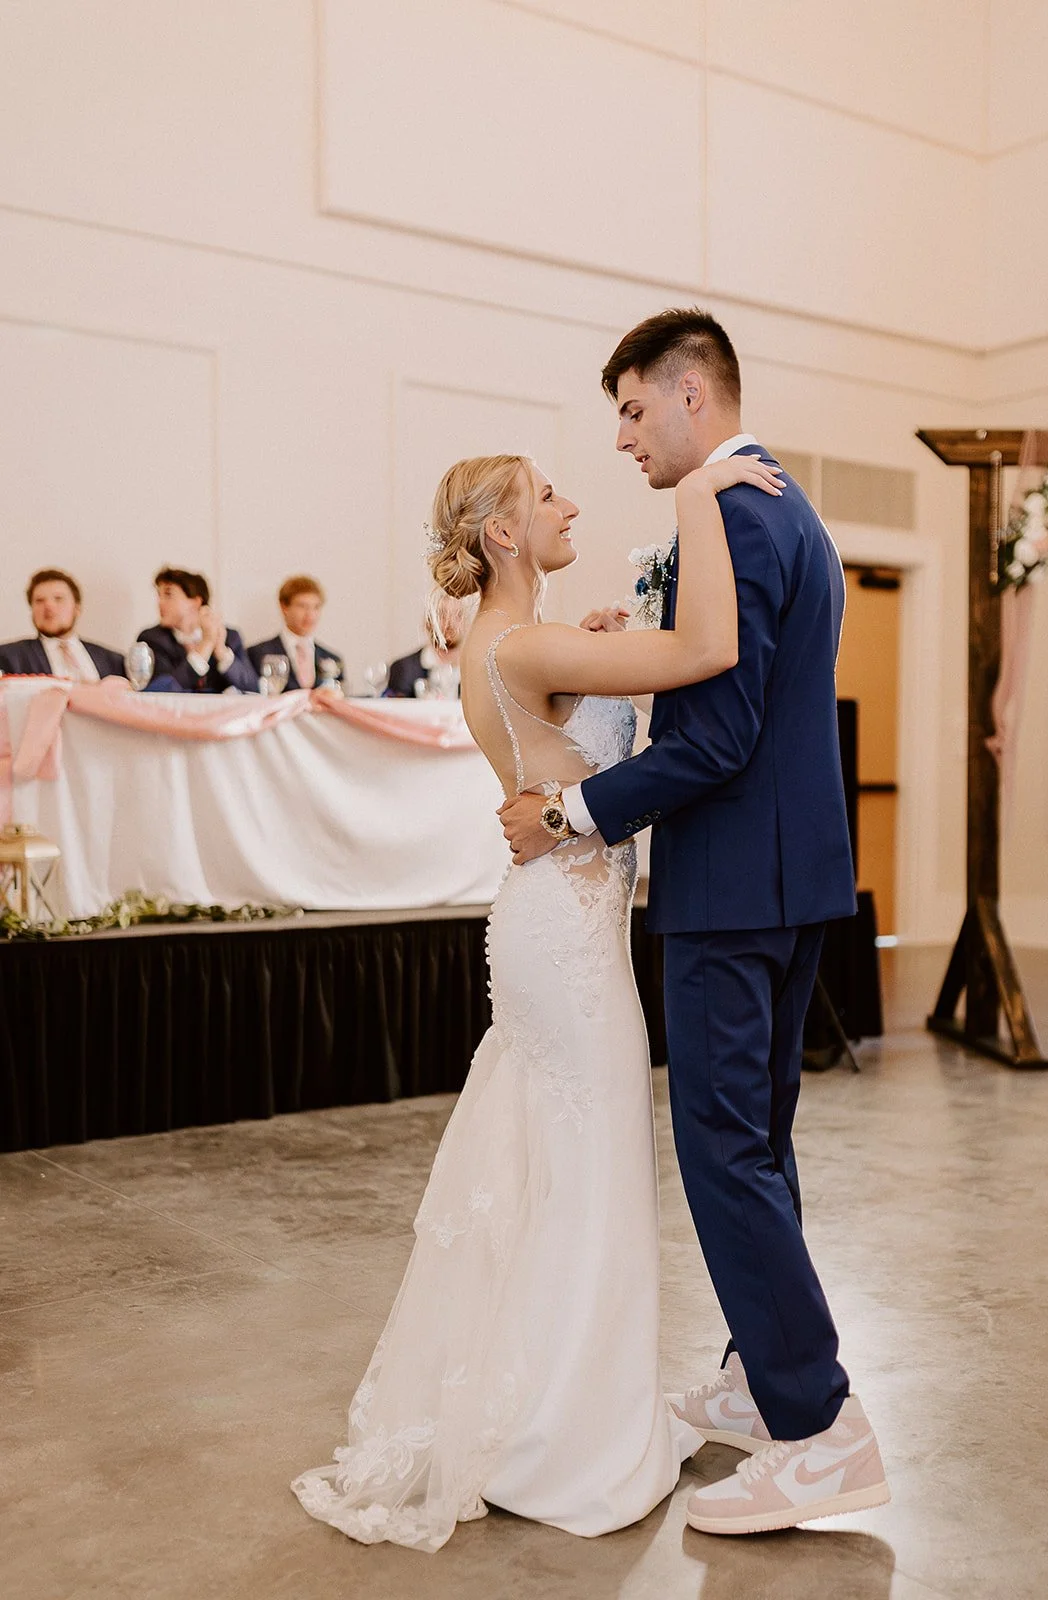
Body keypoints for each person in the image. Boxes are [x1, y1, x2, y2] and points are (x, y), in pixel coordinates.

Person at [292, 445, 786, 1552]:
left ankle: (543, 1413)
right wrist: (700, 489)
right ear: (505, 534)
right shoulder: (523, 641)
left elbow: (573, 738)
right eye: (548, 496)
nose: (570, 504)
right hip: (562, 938)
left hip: (553, 926)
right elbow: (707, 649)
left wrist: (598, 648)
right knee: (589, 1169)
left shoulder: (505, 642)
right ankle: (569, 1439)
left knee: (560, 1173)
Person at [500, 308, 890, 1537]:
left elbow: (715, 736)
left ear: (687, 395)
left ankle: (822, 1429)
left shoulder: (718, 503)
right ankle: (750, 1378)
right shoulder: (789, 500)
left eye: (628, 409)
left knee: (721, 1148)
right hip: (800, 874)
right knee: (756, 1145)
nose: (620, 438)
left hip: (730, 886)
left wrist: (572, 811)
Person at [138, 568, 257, 694]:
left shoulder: (230, 637)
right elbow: (161, 690)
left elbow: (254, 688)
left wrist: (221, 651)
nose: (160, 603)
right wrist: (206, 644)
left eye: (168, 595)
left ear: (195, 602)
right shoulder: (152, 639)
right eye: (159, 595)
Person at [0, 569, 125, 681]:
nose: (49, 606)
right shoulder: (8, 657)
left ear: (77, 608)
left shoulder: (115, 661)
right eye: (39, 601)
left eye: (58, 598)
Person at [248, 575, 345, 691]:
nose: (310, 615)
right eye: (302, 606)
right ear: (284, 607)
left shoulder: (333, 658)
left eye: (316, 607)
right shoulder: (257, 654)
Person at [385, 595, 466, 696]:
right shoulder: (404, 669)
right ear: (428, 622)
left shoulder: (475, 672)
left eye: (458, 616)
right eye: (442, 615)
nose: (450, 622)